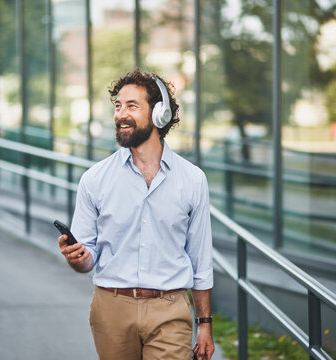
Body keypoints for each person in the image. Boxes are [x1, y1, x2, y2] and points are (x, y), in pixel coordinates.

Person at [58, 69, 215, 360]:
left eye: (132, 106)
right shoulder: (95, 179)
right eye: (118, 106)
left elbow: (200, 259)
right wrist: (78, 258)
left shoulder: (192, 180)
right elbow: (88, 257)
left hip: (169, 308)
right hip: (112, 308)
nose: (120, 114)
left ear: (160, 114)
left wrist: (204, 324)